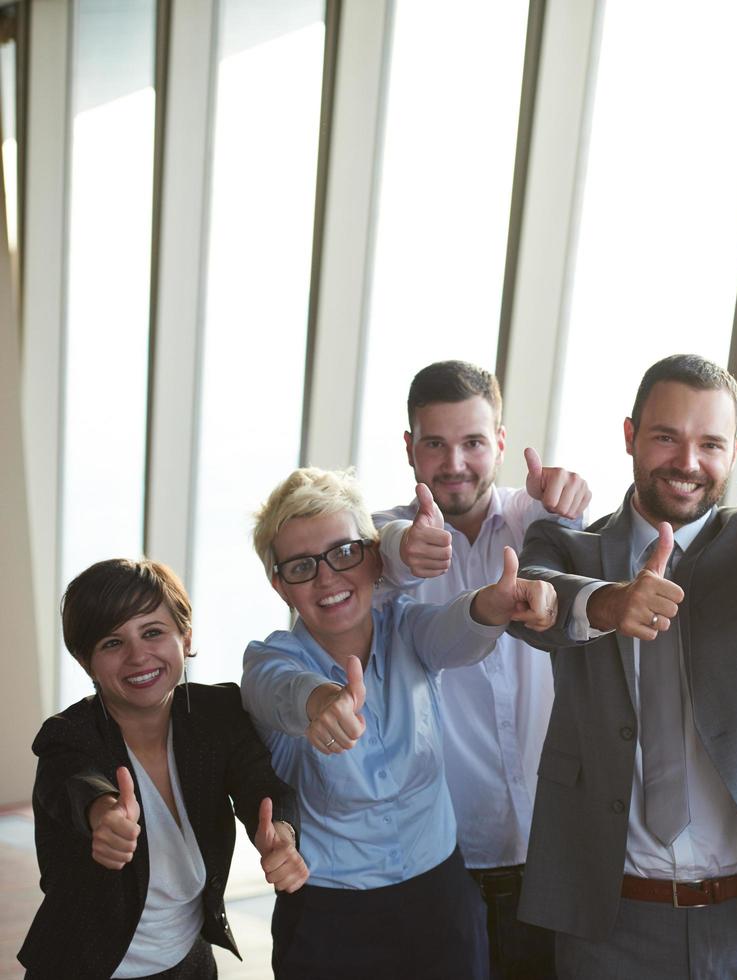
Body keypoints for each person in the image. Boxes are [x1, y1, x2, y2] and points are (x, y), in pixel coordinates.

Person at [509, 354, 737, 979]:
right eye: (666, 437)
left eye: (710, 444)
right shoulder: (569, 545)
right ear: (631, 435)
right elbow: (533, 599)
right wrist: (611, 602)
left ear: (736, 450)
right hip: (613, 927)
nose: (688, 463)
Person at [240, 466, 558, 980]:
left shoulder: (407, 625)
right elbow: (273, 688)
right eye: (301, 567)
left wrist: (493, 605)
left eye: (344, 553)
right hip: (327, 920)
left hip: (441, 902)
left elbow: (456, 629)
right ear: (280, 586)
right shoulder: (267, 660)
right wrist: (320, 699)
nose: (328, 579)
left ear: (373, 559)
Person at [373, 360, 589, 980]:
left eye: (472, 442)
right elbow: (373, 551)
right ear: (410, 449)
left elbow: (597, 570)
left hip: (555, 858)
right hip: (440, 865)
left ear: (500, 442)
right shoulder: (385, 543)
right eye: (435, 444)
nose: (455, 462)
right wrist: (396, 552)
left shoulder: (542, 522)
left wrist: (573, 498)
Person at [19, 558, 307, 979]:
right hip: (83, 967)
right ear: (86, 662)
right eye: (112, 643)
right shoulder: (67, 735)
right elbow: (74, 783)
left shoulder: (218, 712)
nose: (138, 656)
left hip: (189, 963)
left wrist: (281, 835)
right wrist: (103, 816)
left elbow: (259, 783)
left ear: (185, 637)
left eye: (153, 632)